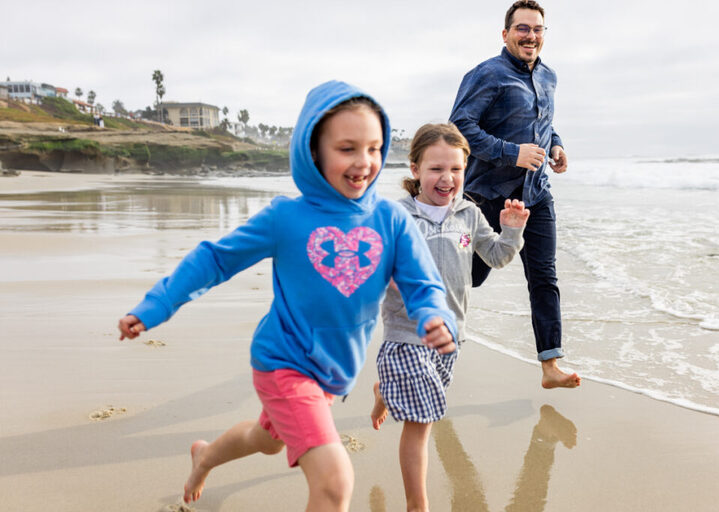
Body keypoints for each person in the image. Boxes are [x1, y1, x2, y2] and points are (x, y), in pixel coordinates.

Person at [117, 81, 458, 511]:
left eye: (374, 148)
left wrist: (432, 314)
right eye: (347, 148)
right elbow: (214, 260)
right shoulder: (286, 217)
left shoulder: (390, 219)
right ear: (313, 152)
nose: (363, 162)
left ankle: (205, 456)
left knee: (265, 439)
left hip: (332, 373)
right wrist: (155, 306)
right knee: (335, 481)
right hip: (283, 363)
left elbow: (421, 281)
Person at [370, 123, 529, 512]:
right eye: (436, 169)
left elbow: (496, 257)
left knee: (422, 407)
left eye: (456, 169)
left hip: (451, 336)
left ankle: (383, 391)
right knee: (421, 421)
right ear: (415, 169)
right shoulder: (396, 215)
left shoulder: (469, 214)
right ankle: (417, 504)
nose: (447, 178)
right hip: (406, 334)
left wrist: (511, 231)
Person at [449, 0, 581, 389]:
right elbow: (459, 126)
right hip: (487, 195)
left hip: (535, 194)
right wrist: (513, 152)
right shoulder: (486, 74)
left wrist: (555, 146)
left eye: (538, 29)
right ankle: (425, 335)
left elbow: (544, 123)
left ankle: (550, 364)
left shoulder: (549, 77)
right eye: (522, 28)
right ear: (505, 34)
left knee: (544, 276)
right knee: (469, 277)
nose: (531, 35)